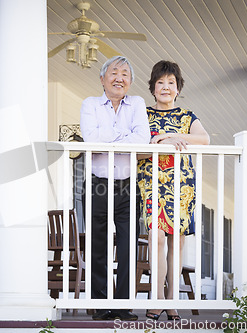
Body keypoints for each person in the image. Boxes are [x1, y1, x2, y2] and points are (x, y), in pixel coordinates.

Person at [137, 60, 209, 320]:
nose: (166, 87)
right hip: (152, 181)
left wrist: (166, 136)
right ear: (152, 88)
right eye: (160, 82)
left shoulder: (187, 116)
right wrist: (161, 139)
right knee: (155, 238)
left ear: (178, 88)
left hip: (181, 184)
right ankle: (156, 297)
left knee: (176, 242)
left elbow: (204, 139)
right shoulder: (142, 115)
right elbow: (136, 146)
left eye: (171, 82)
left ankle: (171, 301)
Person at [80, 55, 151, 321]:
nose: (119, 78)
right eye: (113, 73)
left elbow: (142, 140)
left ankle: (122, 307)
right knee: (98, 246)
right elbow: (91, 139)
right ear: (102, 79)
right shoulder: (90, 104)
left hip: (127, 186)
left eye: (125, 74)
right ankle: (101, 306)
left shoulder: (138, 104)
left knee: (127, 247)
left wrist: (109, 135)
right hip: (98, 184)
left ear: (130, 82)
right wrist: (125, 136)